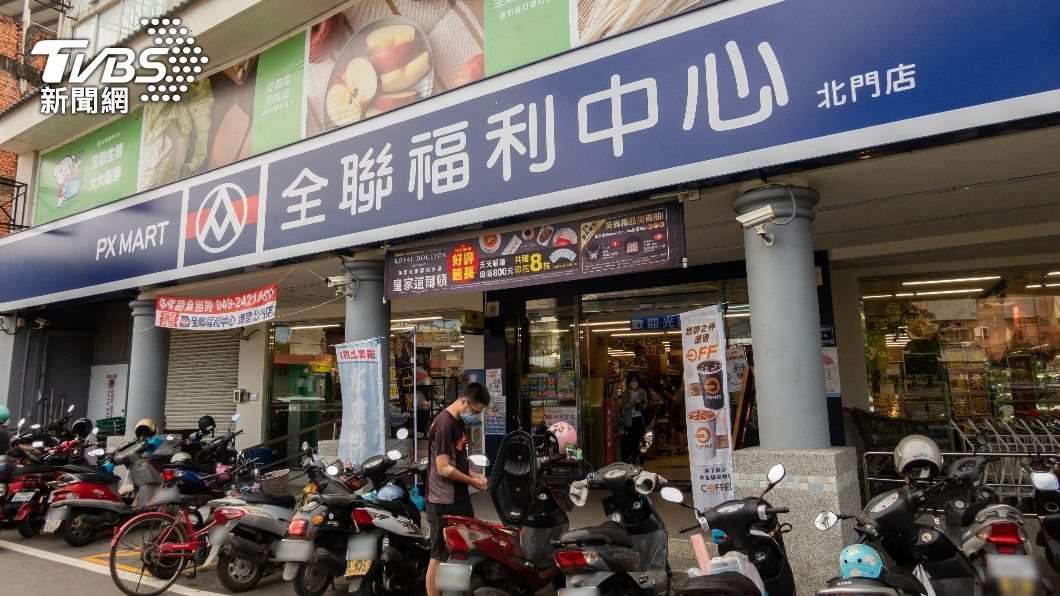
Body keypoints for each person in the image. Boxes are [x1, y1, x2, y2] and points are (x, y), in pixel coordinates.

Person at [426, 382, 491, 596]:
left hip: (458, 497)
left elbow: (458, 464)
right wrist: (471, 482)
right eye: (474, 411)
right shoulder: (445, 424)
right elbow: (443, 468)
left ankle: (455, 591)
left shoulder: (458, 422)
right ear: (463, 402)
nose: (475, 416)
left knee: (463, 548)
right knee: (438, 555)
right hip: (441, 500)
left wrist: (475, 477)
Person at [622, 372, 647, 464]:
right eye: (632, 381)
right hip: (630, 420)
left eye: (635, 380)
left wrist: (641, 406)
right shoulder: (626, 393)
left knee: (641, 439)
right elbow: (624, 405)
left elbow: (646, 404)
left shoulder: (642, 392)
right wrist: (631, 404)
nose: (634, 382)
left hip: (640, 418)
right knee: (632, 439)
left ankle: (640, 458)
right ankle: (633, 457)